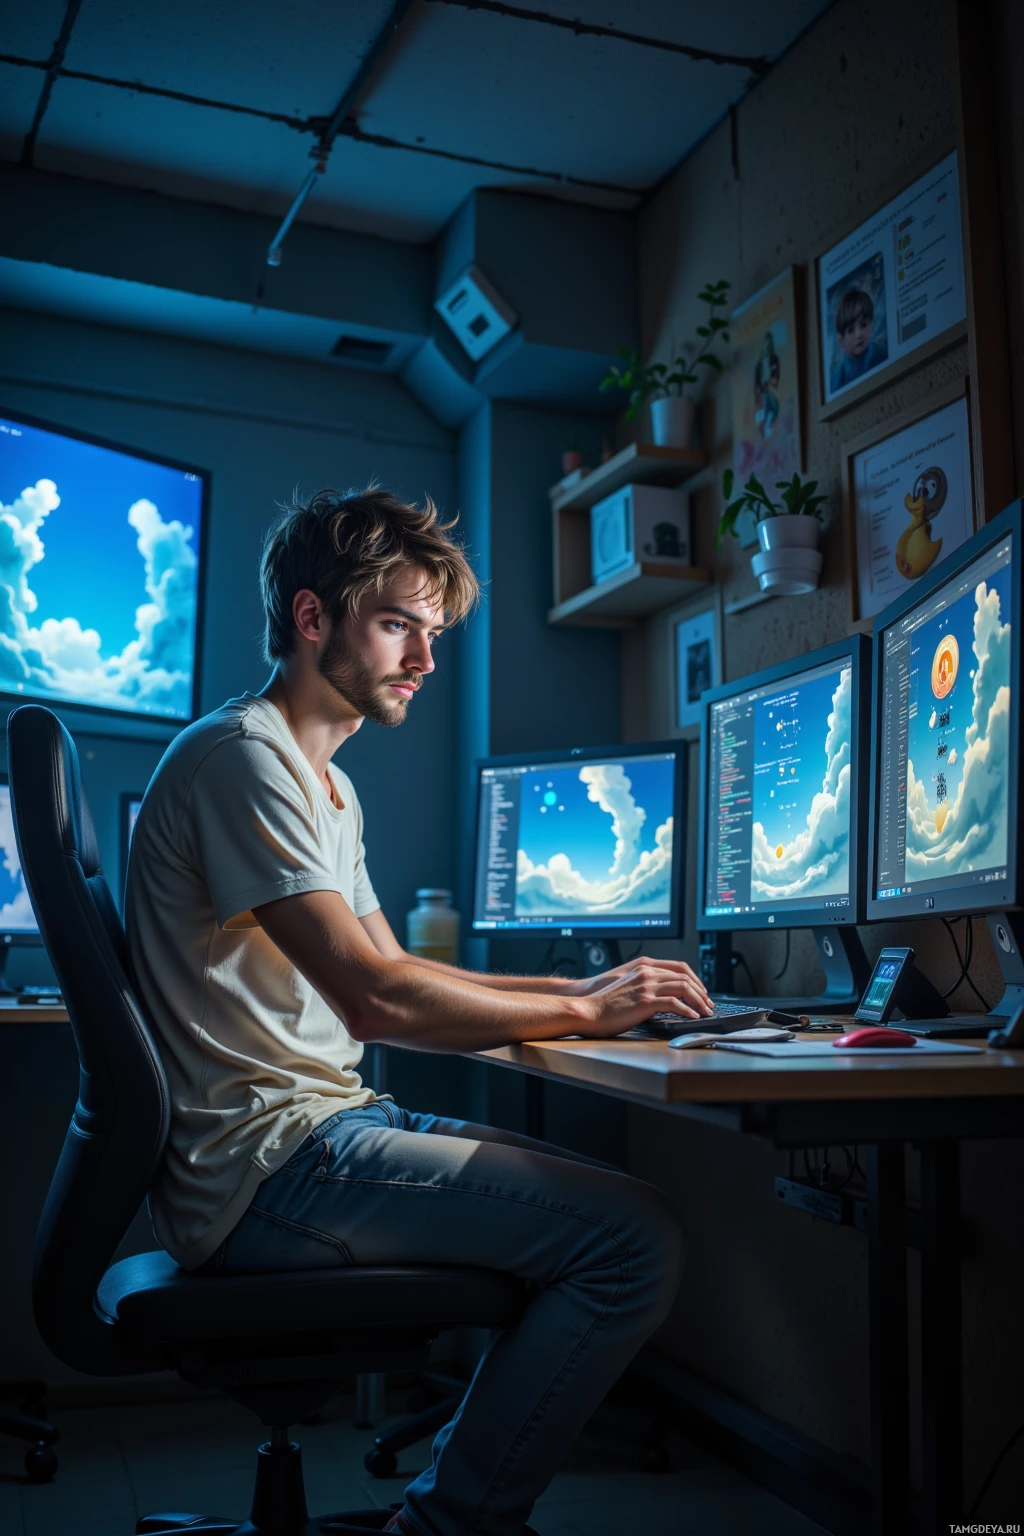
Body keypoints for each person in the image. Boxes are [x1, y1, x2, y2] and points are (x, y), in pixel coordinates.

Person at [125, 485, 713, 1536]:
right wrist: (588, 1012)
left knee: (604, 1220)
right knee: (634, 1241)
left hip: (322, 1133)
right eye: (399, 624)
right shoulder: (244, 759)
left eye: (431, 632)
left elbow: (386, 962)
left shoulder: (325, 783)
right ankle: (449, 1529)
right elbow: (376, 1000)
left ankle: (449, 1511)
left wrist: (582, 993)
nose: (425, 661)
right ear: (314, 619)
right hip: (273, 1172)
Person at [830, 285, 887, 392]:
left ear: (871, 324)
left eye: (863, 325)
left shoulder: (880, 354)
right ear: (841, 341)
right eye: (851, 330)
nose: (859, 334)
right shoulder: (837, 379)